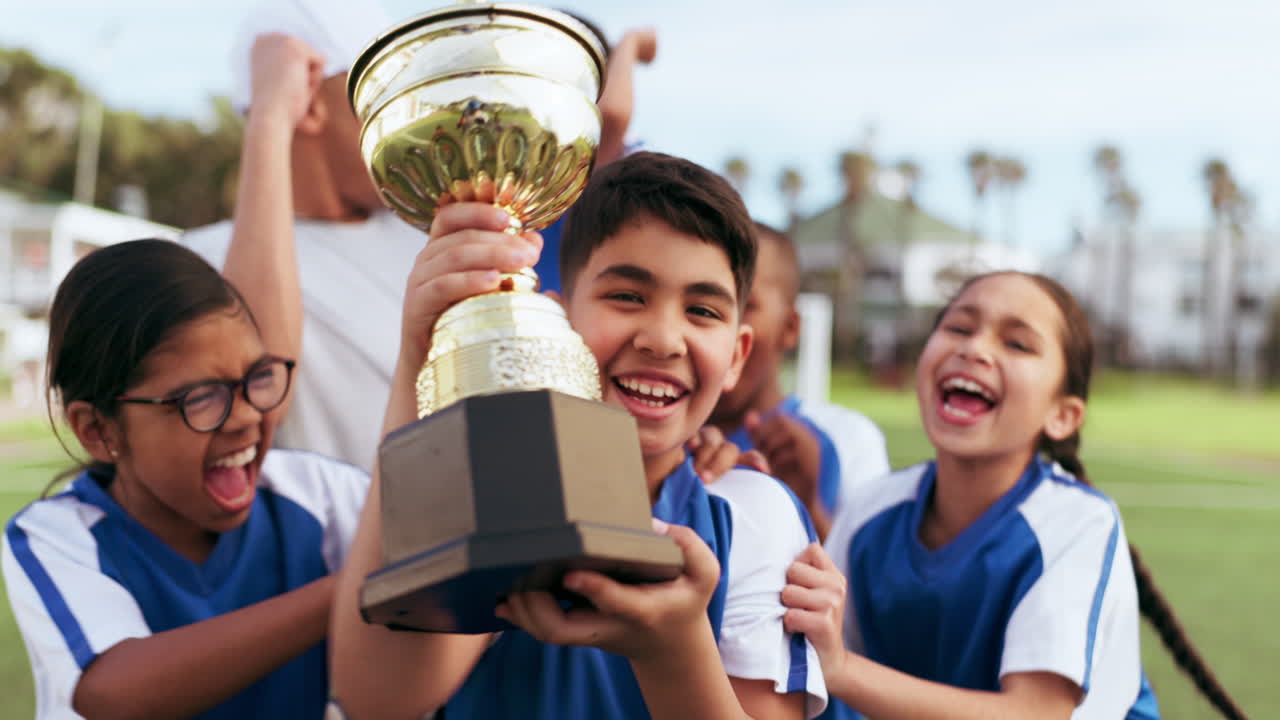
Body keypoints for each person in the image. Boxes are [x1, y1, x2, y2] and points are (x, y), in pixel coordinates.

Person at [330, 152, 827, 719]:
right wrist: (421, 360)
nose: (664, 338)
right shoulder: (503, 496)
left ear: (737, 354)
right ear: (556, 320)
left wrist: (673, 650)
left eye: (702, 310)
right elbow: (377, 698)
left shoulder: (749, 515)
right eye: (627, 296)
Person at [782, 272, 1247, 720]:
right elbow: (813, 662)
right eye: (960, 327)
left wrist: (841, 669)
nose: (974, 347)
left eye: (1017, 343)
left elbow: (1033, 712)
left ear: (1062, 416)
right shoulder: (870, 509)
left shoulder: (1074, 522)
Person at [0, 239, 368, 719]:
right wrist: (354, 590)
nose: (243, 418)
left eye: (256, 377)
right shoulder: (60, 537)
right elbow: (115, 691)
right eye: (199, 398)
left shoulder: (317, 498)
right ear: (98, 430)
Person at [709, 223, 889, 539]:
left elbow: (868, 585)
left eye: (745, 305)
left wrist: (807, 507)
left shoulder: (847, 439)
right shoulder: (654, 431)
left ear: (790, 327)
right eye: (704, 305)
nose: (725, 325)